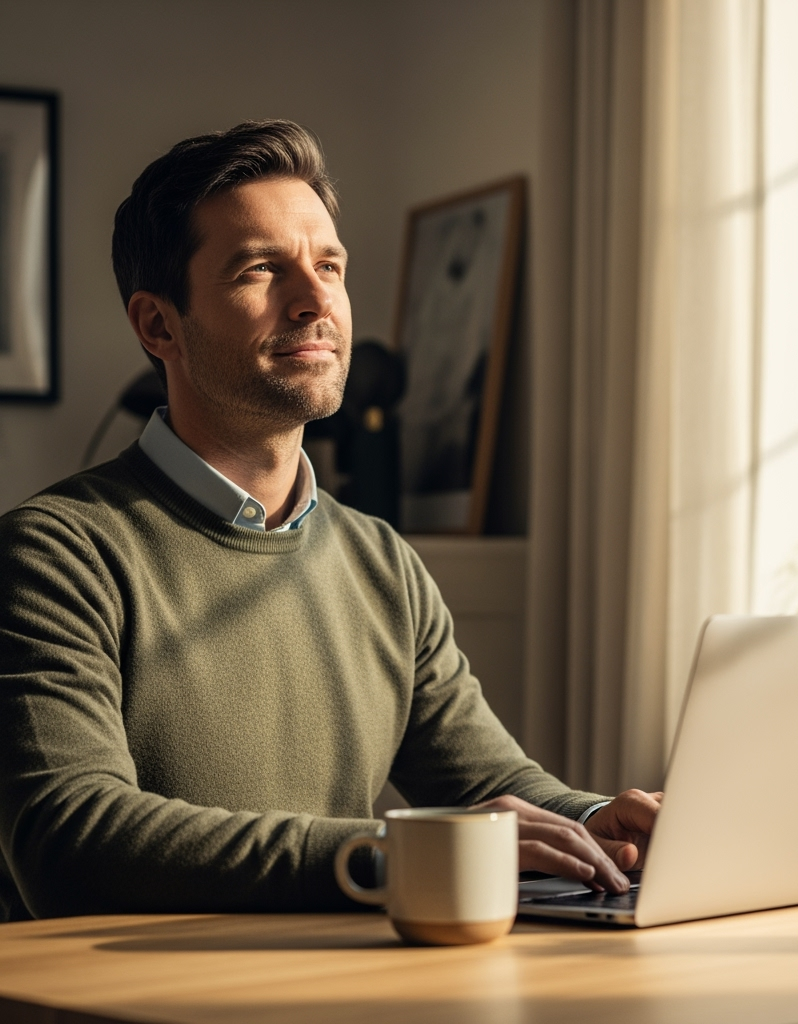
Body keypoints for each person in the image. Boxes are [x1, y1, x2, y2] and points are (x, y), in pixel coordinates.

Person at [0, 121, 660, 922]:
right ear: (158, 325)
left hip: (339, 991)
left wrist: (599, 824)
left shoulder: (381, 560)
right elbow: (70, 840)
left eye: (329, 266)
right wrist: (391, 854)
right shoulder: (53, 554)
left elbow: (488, 785)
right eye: (260, 270)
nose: (315, 301)